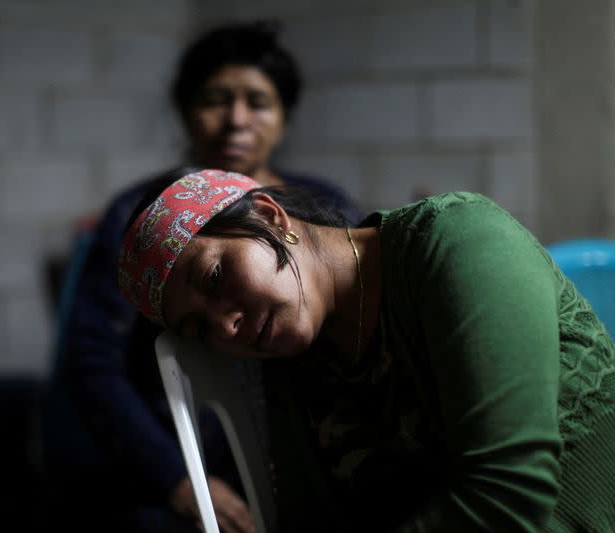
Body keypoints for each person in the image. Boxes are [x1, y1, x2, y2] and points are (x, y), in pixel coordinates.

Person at [117, 168, 615, 533]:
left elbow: (508, 490)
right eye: (200, 329)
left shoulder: (457, 241)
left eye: (216, 276)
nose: (226, 326)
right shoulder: (295, 367)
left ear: (271, 217)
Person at [43, 20, 363, 532]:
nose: (236, 120)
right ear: (186, 112)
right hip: (188, 451)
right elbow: (90, 360)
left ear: (283, 118)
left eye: (258, 102)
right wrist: (177, 476)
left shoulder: (321, 206)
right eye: (216, 99)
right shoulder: (141, 219)